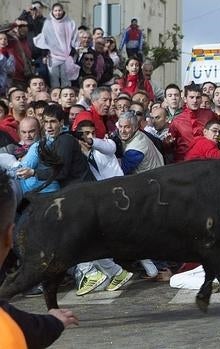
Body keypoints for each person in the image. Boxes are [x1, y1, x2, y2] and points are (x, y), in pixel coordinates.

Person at [0, 170, 78, 348]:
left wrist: (51, 322)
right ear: (9, 236)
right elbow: (24, 327)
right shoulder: (8, 332)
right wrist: (54, 322)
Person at [72, 120, 134, 296]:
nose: (88, 137)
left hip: (118, 200)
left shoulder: (105, 146)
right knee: (89, 240)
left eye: (92, 133)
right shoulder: (80, 156)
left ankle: (97, 273)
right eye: (84, 134)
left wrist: (92, 142)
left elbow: (110, 148)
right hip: (102, 202)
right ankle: (111, 273)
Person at [33, 3, 80, 88]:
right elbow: (45, 39)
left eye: (59, 10)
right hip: (52, 55)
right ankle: (55, 95)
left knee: (65, 77)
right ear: (52, 11)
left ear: (63, 11)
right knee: (53, 77)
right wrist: (44, 54)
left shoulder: (70, 22)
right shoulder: (48, 23)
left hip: (66, 54)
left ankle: (66, 94)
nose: (57, 13)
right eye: (55, 11)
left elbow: (75, 37)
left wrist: (72, 52)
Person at [168, 83, 216, 162]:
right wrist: (167, 143)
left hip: (206, 161)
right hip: (184, 163)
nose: (195, 100)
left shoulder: (210, 115)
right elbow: (170, 146)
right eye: (191, 97)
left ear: (201, 99)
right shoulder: (177, 120)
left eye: (198, 97)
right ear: (185, 99)